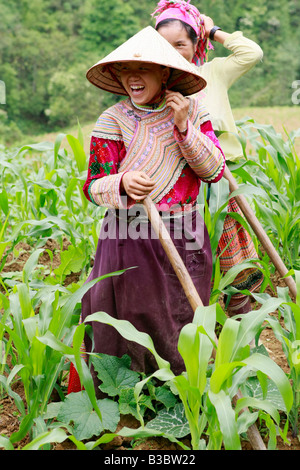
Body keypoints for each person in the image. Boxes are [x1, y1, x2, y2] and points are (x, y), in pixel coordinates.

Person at [75, 26, 225, 388]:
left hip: (184, 233)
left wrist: (183, 126)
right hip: (127, 236)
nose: (132, 78)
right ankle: (126, 401)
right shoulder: (113, 121)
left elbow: (214, 171)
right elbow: (93, 186)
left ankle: (184, 398)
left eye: (142, 70)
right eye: (125, 71)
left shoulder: (193, 112)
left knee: (180, 318)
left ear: (165, 73)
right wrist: (121, 183)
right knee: (128, 318)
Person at [152, 0, 264, 316]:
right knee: (186, 259)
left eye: (180, 44)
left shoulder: (211, 73)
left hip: (220, 180)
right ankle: (194, 325)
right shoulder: (155, 84)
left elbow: (251, 53)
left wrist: (212, 30)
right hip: (177, 188)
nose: (173, 51)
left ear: (195, 43)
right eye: (164, 45)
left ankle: (238, 323)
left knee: (233, 259)